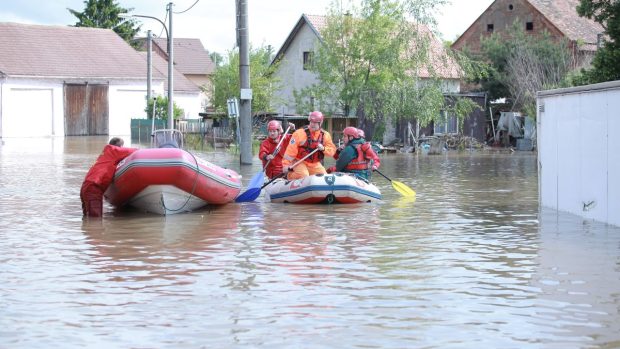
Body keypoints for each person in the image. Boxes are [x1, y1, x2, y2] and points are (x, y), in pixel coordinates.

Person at [80, 137, 138, 217]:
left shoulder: (105, 153)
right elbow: (135, 151)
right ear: (119, 146)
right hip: (94, 187)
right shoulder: (113, 150)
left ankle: (86, 229)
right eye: (122, 146)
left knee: (87, 217)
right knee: (95, 220)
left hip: (86, 186)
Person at [282, 111, 337, 180]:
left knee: (323, 178)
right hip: (299, 161)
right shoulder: (299, 133)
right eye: (311, 122)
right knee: (304, 176)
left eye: (315, 123)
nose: (312, 124)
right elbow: (290, 152)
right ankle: (289, 176)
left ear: (320, 123)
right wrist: (286, 165)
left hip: (314, 164)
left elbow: (332, 151)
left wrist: (323, 149)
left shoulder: (325, 135)